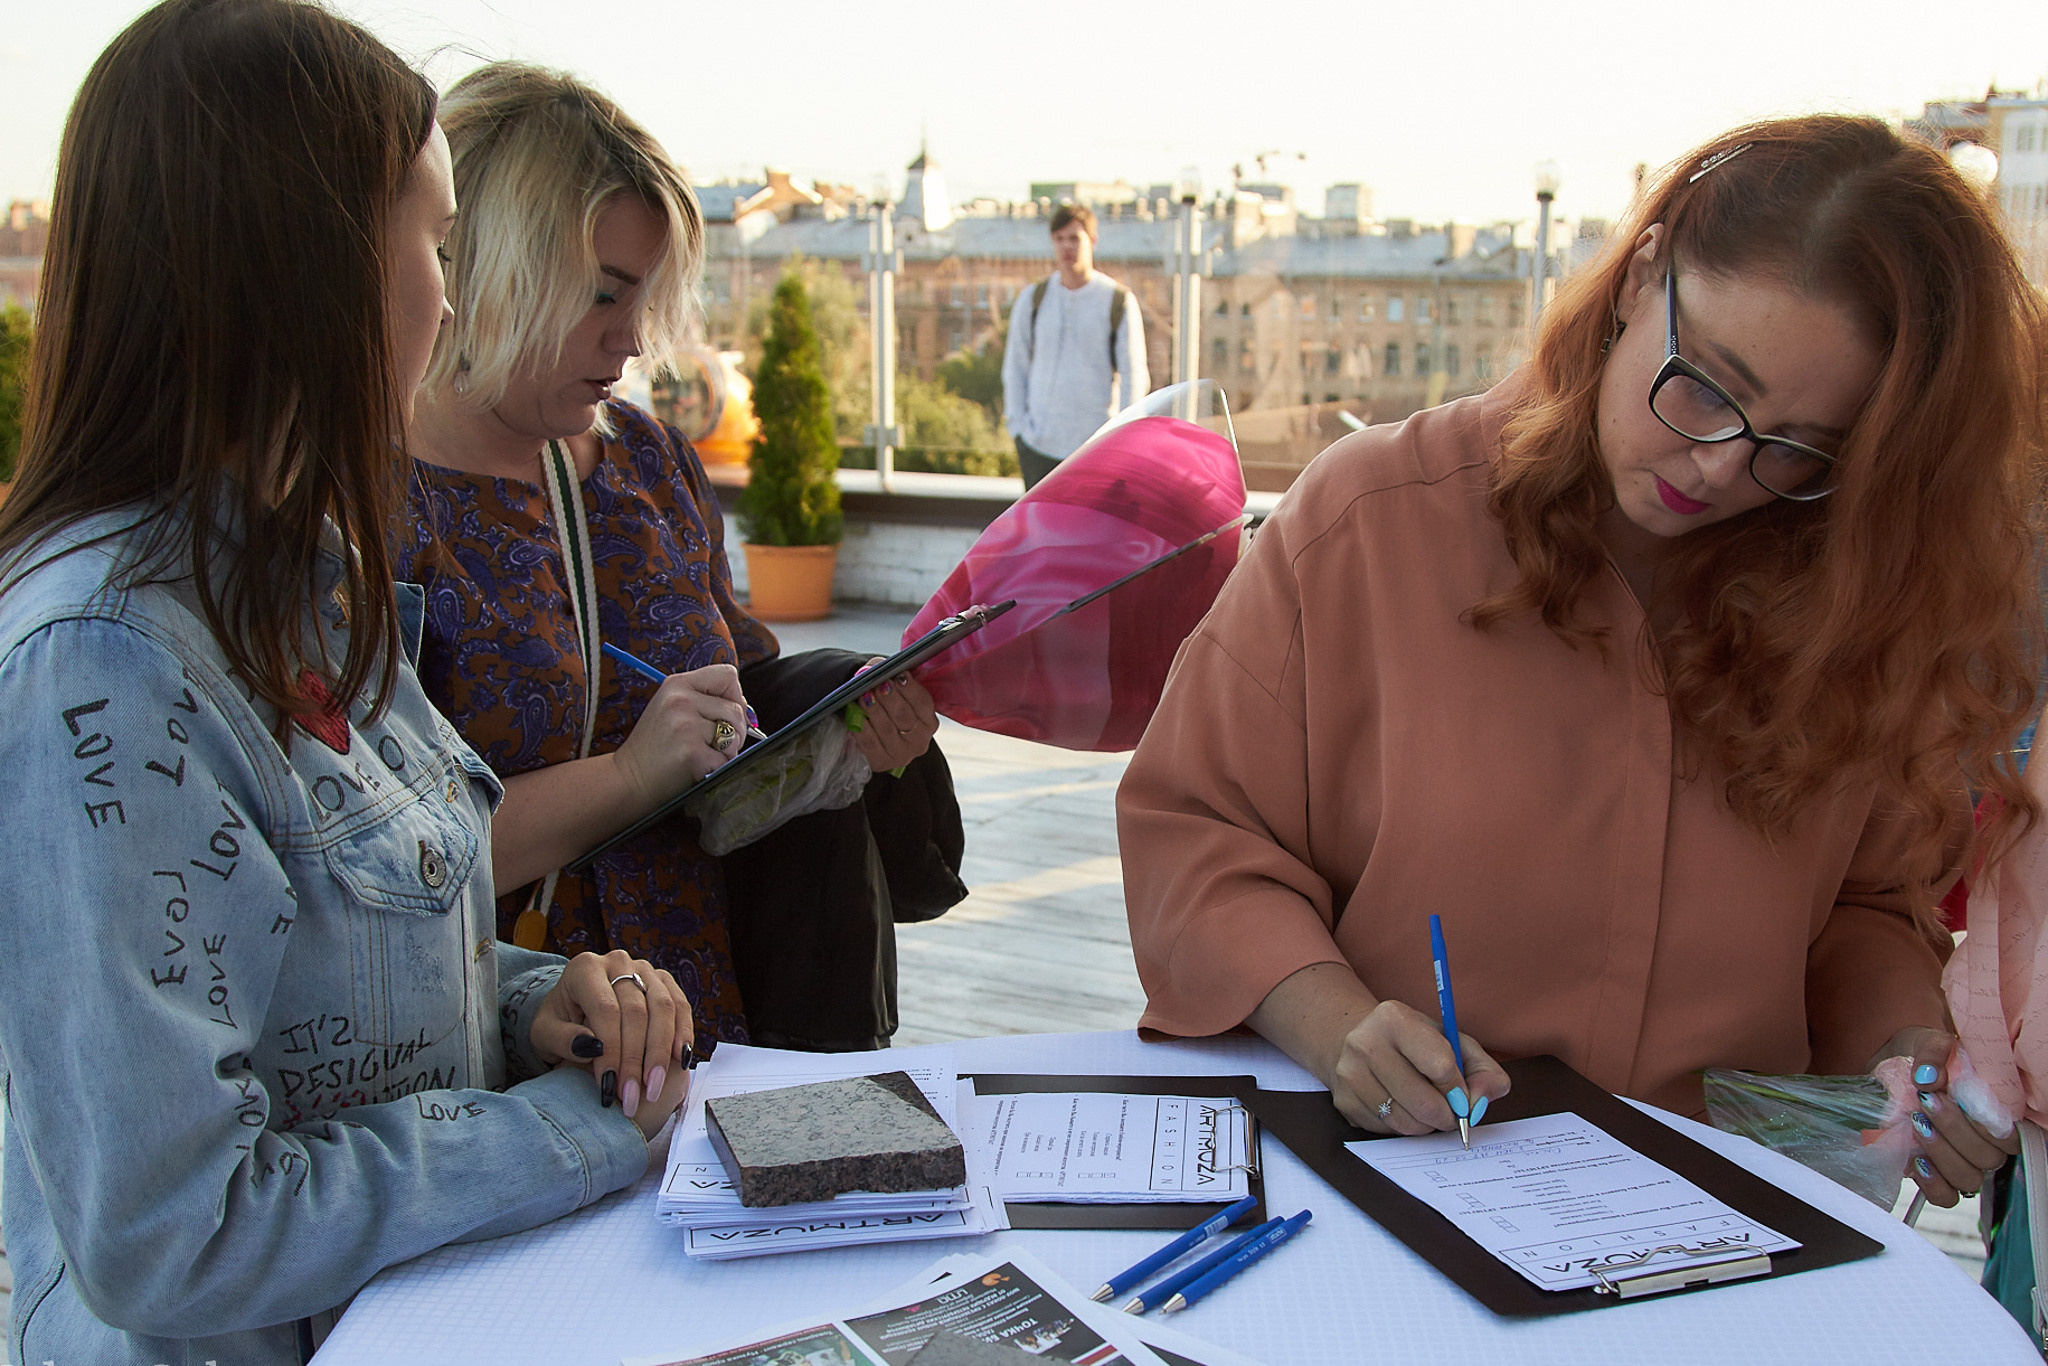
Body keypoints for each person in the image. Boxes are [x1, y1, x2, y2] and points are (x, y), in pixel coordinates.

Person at [1118, 116, 2044, 1210]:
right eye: (1705, 385)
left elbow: (1866, 905)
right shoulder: (1369, 521)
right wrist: (1337, 1026)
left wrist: (1902, 1048)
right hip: (1393, 1179)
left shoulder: (1860, 599)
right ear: (1640, 272)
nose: (1719, 466)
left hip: (1717, 1209)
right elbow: (1196, 829)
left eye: (1801, 446)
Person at [0, 3, 695, 1361]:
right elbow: (176, 1230)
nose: (451, 297)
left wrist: (534, 1007)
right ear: (307, 269)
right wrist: (566, 1131)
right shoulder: (104, 663)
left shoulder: (297, 578)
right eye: (434, 245)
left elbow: (324, 976)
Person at [398, 63, 958, 1053]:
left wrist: (838, 738)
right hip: (498, 1053)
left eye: (647, 296)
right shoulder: (356, 503)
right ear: (484, 266)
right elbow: (372, 854)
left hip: (712, 1032)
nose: (631, 340)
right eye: (601, 296)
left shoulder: (646, 461)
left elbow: (738, 708)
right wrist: (630, 774)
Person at [1002, 203, 1150, 488]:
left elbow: (1134, 375)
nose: (1066, 247)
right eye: (1059, 239)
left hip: (1095, 449)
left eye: (1074, 238)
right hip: (1037, 447)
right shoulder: (1033, 298)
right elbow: (1015, 366)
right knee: (1041, 519)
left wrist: (1123, 441)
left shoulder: (1117, 300)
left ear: (1092, 240)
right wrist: (1018, 429)